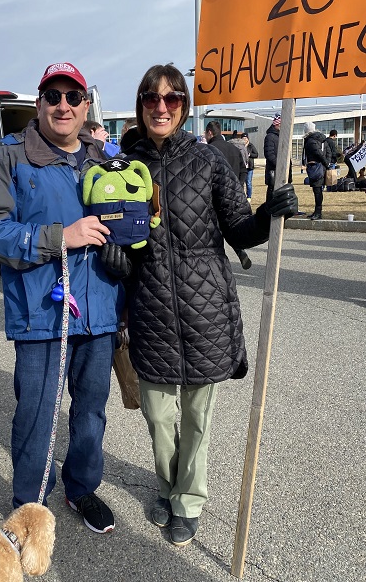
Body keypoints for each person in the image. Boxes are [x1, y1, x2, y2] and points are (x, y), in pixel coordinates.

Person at [113, 63, 297, 547]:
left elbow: (238, 228)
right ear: (140, 105)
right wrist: (113, 257)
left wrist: (267, 215)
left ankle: (187, 499)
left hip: (204, 308)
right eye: (152, 98)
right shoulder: (122, 167)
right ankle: (166, 484)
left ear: (184, 108)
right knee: (157, 414)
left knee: (197, 415)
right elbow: (113, 242)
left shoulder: (209, 161)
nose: (161, 106)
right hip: (149, 307)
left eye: (172, 99)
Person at [0, 62, 123, 533]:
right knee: (37, 415)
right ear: (38, 105)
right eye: (52, 96)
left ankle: (81, 489)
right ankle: (29, 504)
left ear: (85, 107)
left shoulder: (104, 160)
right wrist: (61, 237)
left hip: (98, 311)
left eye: (72, 97)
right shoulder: (10, 158)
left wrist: (128, 252)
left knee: (92, 411)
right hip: (43, 314)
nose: (63, 105)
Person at [205, 120, 251, 270]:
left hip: (213, 193)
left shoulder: (208, 150)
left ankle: (217, 260)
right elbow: (244, 169)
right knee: (231, 224)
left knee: (214, 229)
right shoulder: (234, 148)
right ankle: (239, 250)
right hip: (233, 193)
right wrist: (238, 185)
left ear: (210, 133)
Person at [302, 122, 330, 220]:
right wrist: (326, 164)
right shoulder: (322, 139)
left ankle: (318, 212)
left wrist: (325, 163)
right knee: (318, 190)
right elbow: (328, 152)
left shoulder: (311, 141)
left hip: (316, 167)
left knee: (317, 191)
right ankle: (317, 211)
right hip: (321, 167)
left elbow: (318, 153)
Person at [264, 113, 292, 202]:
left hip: (283, 168)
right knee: (272, 191)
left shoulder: (282, 136)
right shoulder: (270, 137)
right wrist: (280, 165)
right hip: (274, 170)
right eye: (280, 124)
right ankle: (269, 211)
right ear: (276, 124)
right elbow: (269, 154)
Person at [242, 132, 258, 202]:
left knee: (248, 182)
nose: (244, 140)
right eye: (243, 138)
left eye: (245, 138)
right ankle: (242, 196)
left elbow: (256, 154)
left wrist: (250, 154)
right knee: (241, 182)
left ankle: (249, 196)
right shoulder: (240, 146)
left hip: (249, 167)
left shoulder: (251, 146)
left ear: (248, 139)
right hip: (242, 167)